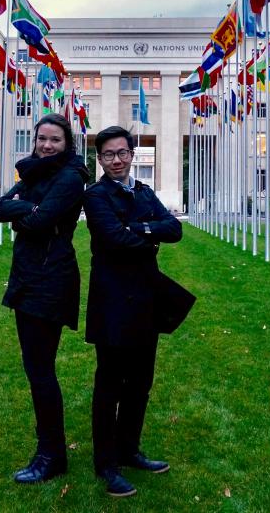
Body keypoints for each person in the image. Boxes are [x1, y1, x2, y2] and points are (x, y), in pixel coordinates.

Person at [82, 125, 183, 498]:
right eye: (109, 154)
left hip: (145, 300)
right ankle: (106, 463)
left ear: (132, 154)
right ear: (100, 159)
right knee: (110, 384)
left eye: (122, 152)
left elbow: (173, 229)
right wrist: (147, 237)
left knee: (140, 382)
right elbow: (113, 239)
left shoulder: (143, 192)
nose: (117, 160)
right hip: (112, 302)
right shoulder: (95, 196)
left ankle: (129, 448)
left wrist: (139, 227)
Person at [0, 113, 91, 484]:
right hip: (28, 276)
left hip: (50, 279)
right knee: (35, 368)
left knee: (40, 370)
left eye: (55, 140)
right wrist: (26, 211)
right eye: (42, 139)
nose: (47, 145)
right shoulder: (33, 173)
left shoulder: (69, 177)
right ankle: (51, 452)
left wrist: (28, 214)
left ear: (67, 145)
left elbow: (39, 220)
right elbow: (2, 207)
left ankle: (50, 454)